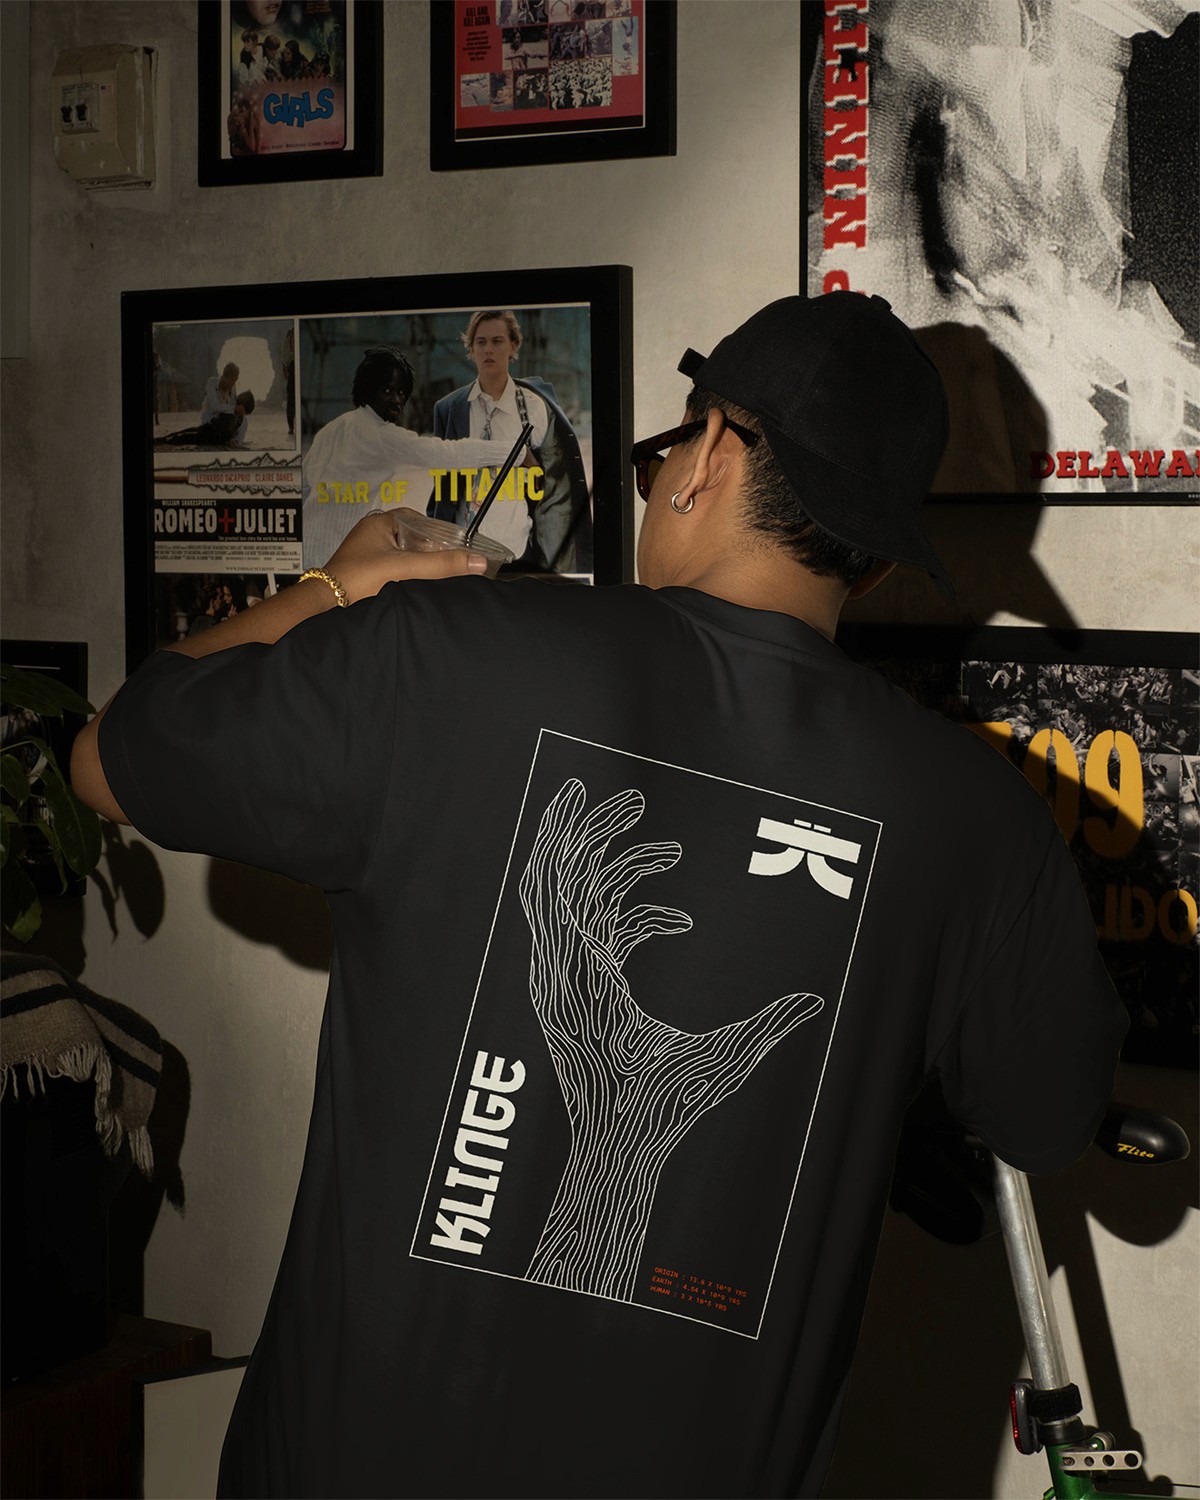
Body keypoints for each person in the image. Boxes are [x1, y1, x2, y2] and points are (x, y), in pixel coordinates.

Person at [71, 292, 1126, 1500]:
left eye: (662, 452)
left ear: (708, 454)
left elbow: (107, 759)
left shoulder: (449, 650)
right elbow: (1046, 1119)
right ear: (876, 561)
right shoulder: (978, 820)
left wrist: (340, 587)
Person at [300, 344, 521, 569]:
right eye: (387, 391)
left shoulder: (333, 428)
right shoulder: (380, 435)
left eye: (401, 392)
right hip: (335, 557)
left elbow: (304, 487)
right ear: (368, 389)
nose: (397, 400)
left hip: (305, 551)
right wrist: (515, 451)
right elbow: (445, 453)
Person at [428, 309, 592, 573]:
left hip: (517, 552)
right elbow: (443, 489)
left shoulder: (534, 408)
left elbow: (554, 494)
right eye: (481, 342)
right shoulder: (450, 408)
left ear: (513, 345)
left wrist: (558, 571)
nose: (488, 350)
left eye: (497, 341)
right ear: (471, 348)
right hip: (463, 554)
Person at [159, 391, 256, 447]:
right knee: (181, 433)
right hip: (206, 429)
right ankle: (161, 440)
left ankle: (161, 441)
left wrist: (233, 442)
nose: (238, 410)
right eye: (239, 406)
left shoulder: (243, 421)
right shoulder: (229, 408)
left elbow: (239, 439)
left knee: (183, 437)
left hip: (211, 438)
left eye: (242, 410)